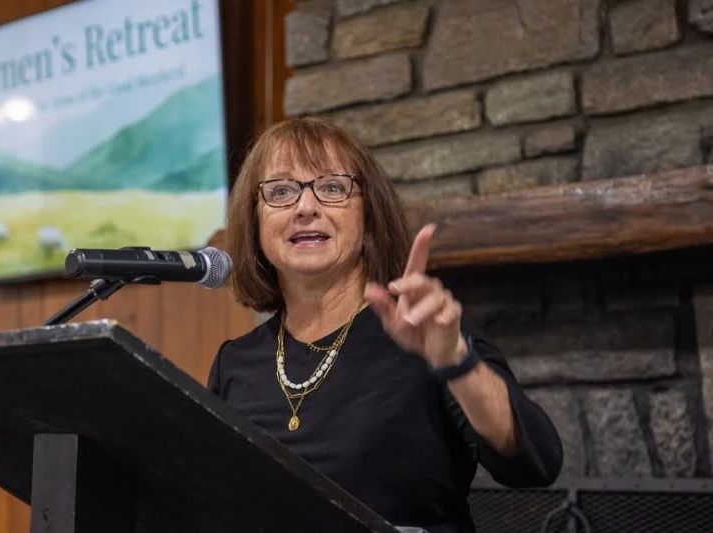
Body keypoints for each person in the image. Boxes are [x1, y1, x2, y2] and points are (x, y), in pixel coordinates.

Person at [208, 117, 563, 532]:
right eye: (281, 191)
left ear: (369, 216)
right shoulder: (235, 363)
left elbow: (535, 463)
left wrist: (455, 362)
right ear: (254, 222)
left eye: (332, 188)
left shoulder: (428, 337)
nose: (306, 207)